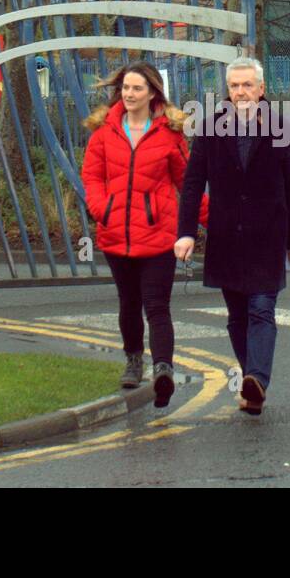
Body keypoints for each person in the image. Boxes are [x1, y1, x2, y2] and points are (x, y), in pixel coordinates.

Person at [175, 56, 290, 416]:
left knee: (261, 309)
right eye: (234, 86)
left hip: (268, 235)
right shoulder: (210, 125)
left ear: (261, 89)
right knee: (237, 316)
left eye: (248, 85)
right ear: (227, 90)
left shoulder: (279, 126)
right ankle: (253, 385)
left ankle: (257, 379)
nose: (241, 92)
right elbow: (192, 183)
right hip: (226, 236)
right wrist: (186, 232)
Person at [81, 61, 206, 408]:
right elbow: (91, 177)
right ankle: (133, 360)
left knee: (157, 305)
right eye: (125, 88)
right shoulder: (103, 133)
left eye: (137, 88)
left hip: (158, 236)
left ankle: (162, 369)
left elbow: (188, 185)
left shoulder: (170, 133)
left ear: (153, 92)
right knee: (129, 303)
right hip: (116, 234)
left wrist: (217, 221)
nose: (130, 94)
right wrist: (101, 208)